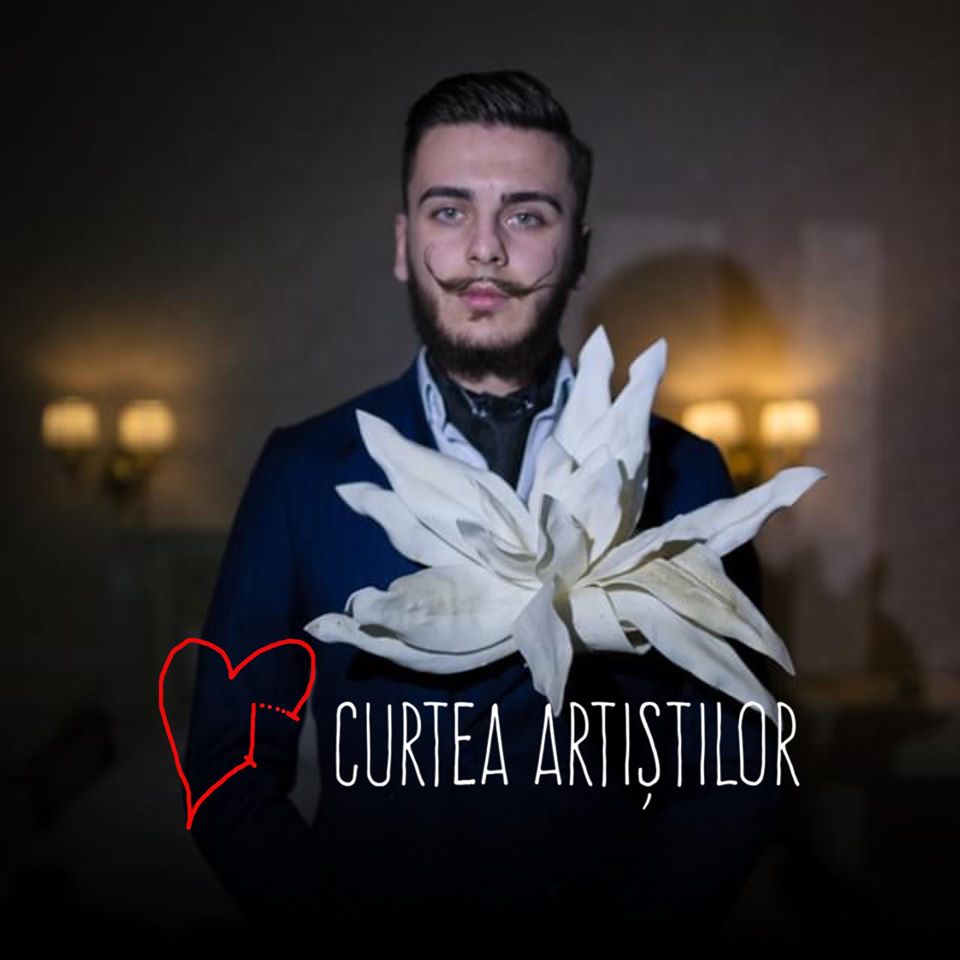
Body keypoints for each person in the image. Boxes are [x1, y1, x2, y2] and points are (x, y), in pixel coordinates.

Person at [184, 69, 785, 948]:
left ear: (578, 250)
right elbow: (228, 765)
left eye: (527, 216)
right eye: (449, 210)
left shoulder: (686, 472)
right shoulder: (300, 473)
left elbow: (741, 759)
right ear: (404, 242)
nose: (485, 250)